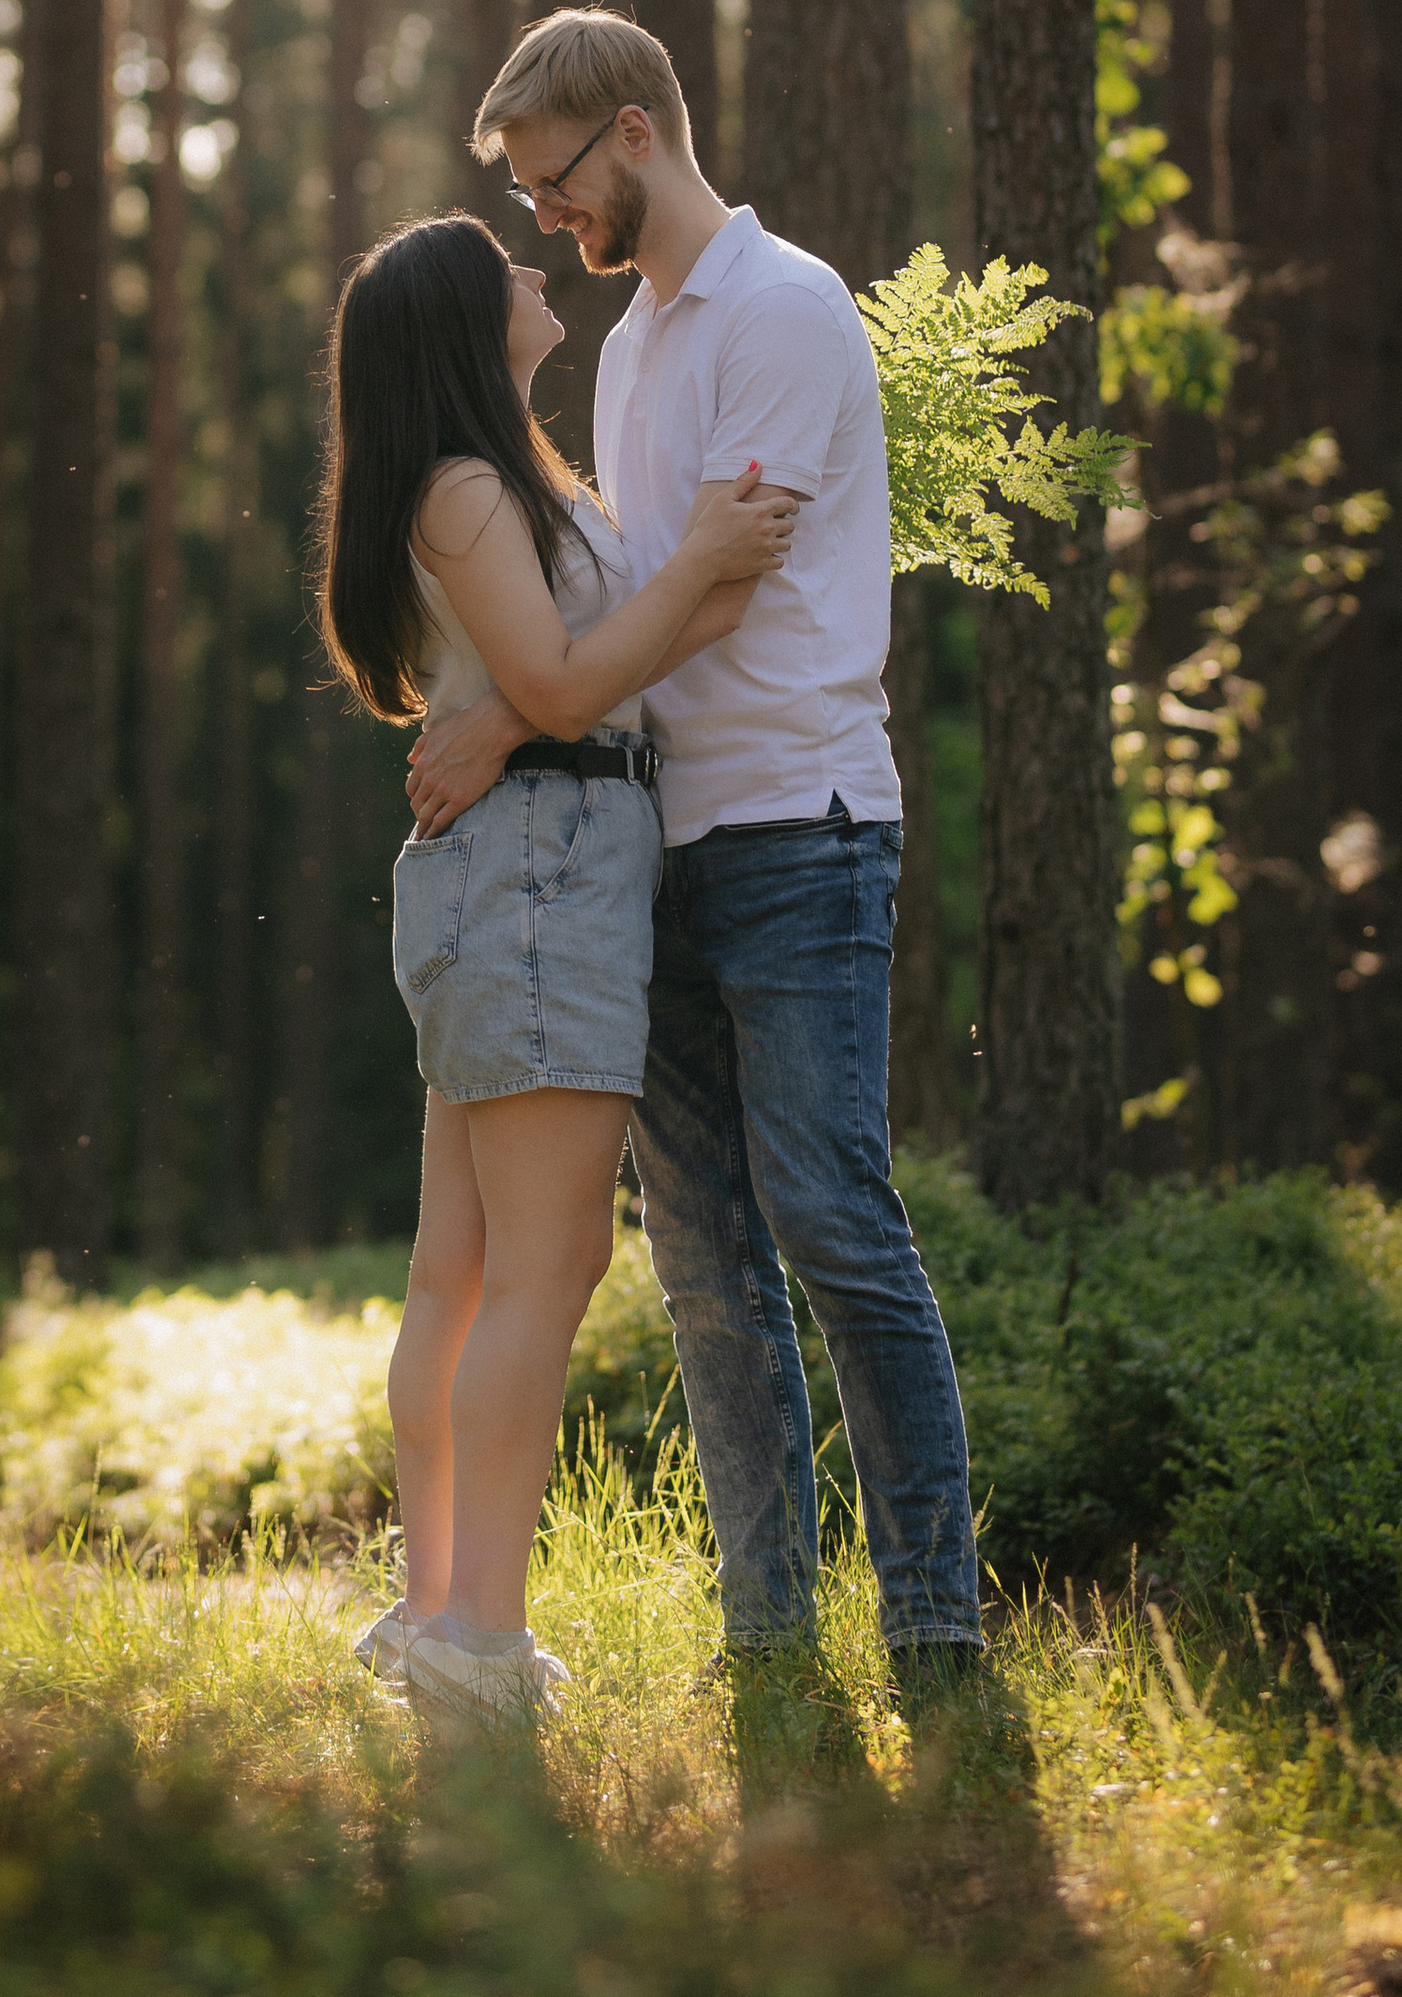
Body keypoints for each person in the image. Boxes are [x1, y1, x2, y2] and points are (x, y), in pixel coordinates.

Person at [405, 8, 985, 1679]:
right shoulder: (636, 345)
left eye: (555, 181)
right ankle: (770, 1637)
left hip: (802, 821)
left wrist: (517, 716)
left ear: (638, 134)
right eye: (525, 197)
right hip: (657, 840)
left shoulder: (787, 310)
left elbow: (725, 582)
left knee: (833, 1223)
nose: (546, 221)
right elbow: (636, 586)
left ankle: (936, 1625)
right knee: (714, 1268)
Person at [316, 208, 797, 1724]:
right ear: (468, 324)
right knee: (547, 1264)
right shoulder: (465, 491)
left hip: (530, 864)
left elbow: (619, 653)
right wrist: (699, 563)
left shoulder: (508, 481)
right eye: (507, 271)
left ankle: (442, 1611)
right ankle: (476, 1636)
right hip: (540, 873)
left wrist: (716, 557)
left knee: (462, 1269)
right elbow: (571, 677)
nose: (539, 274)